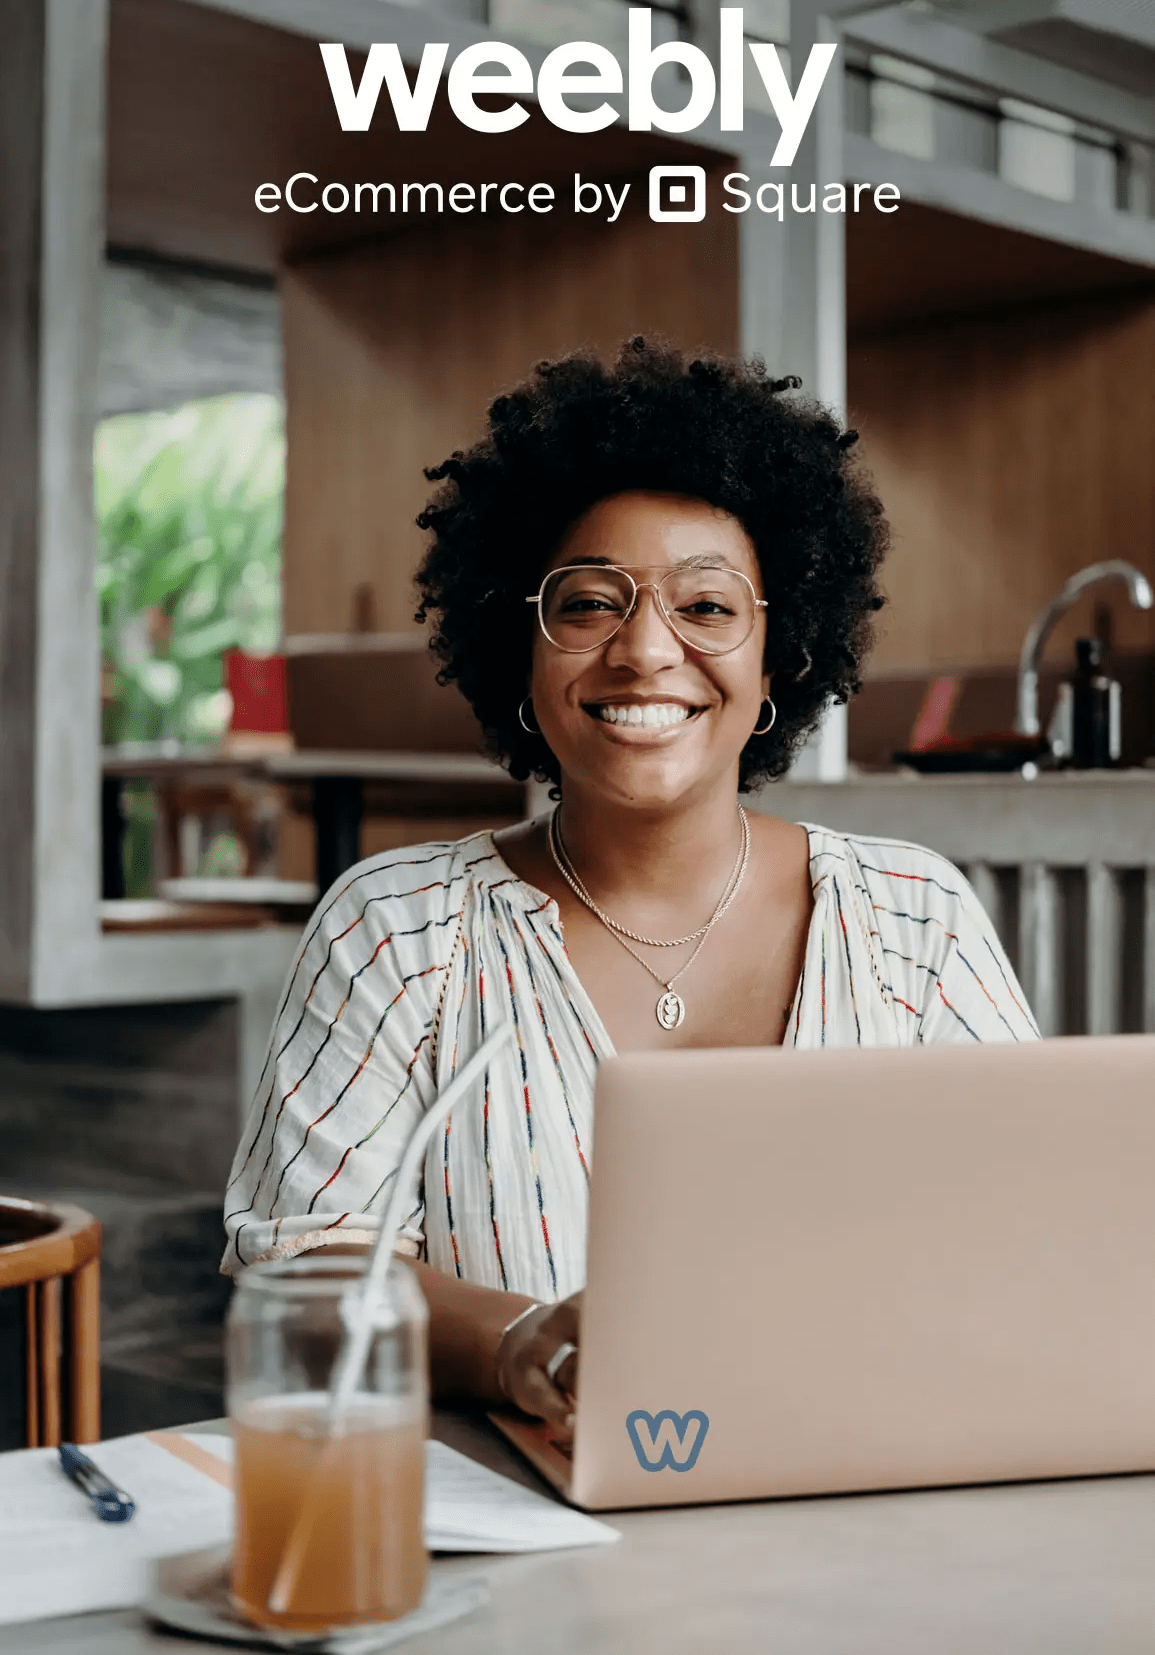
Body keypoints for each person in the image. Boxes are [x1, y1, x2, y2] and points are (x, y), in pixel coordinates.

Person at [222, 338, 1037, 1433]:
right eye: (590, 602)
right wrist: (515, 1342)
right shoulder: (397, 930)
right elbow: (298, 1276)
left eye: (706, 608)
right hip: (523, 1534)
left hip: (862, 1509)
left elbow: (1032, 1239)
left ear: (778, 657)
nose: (646, 650)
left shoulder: (916, 919)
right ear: (520, 649)